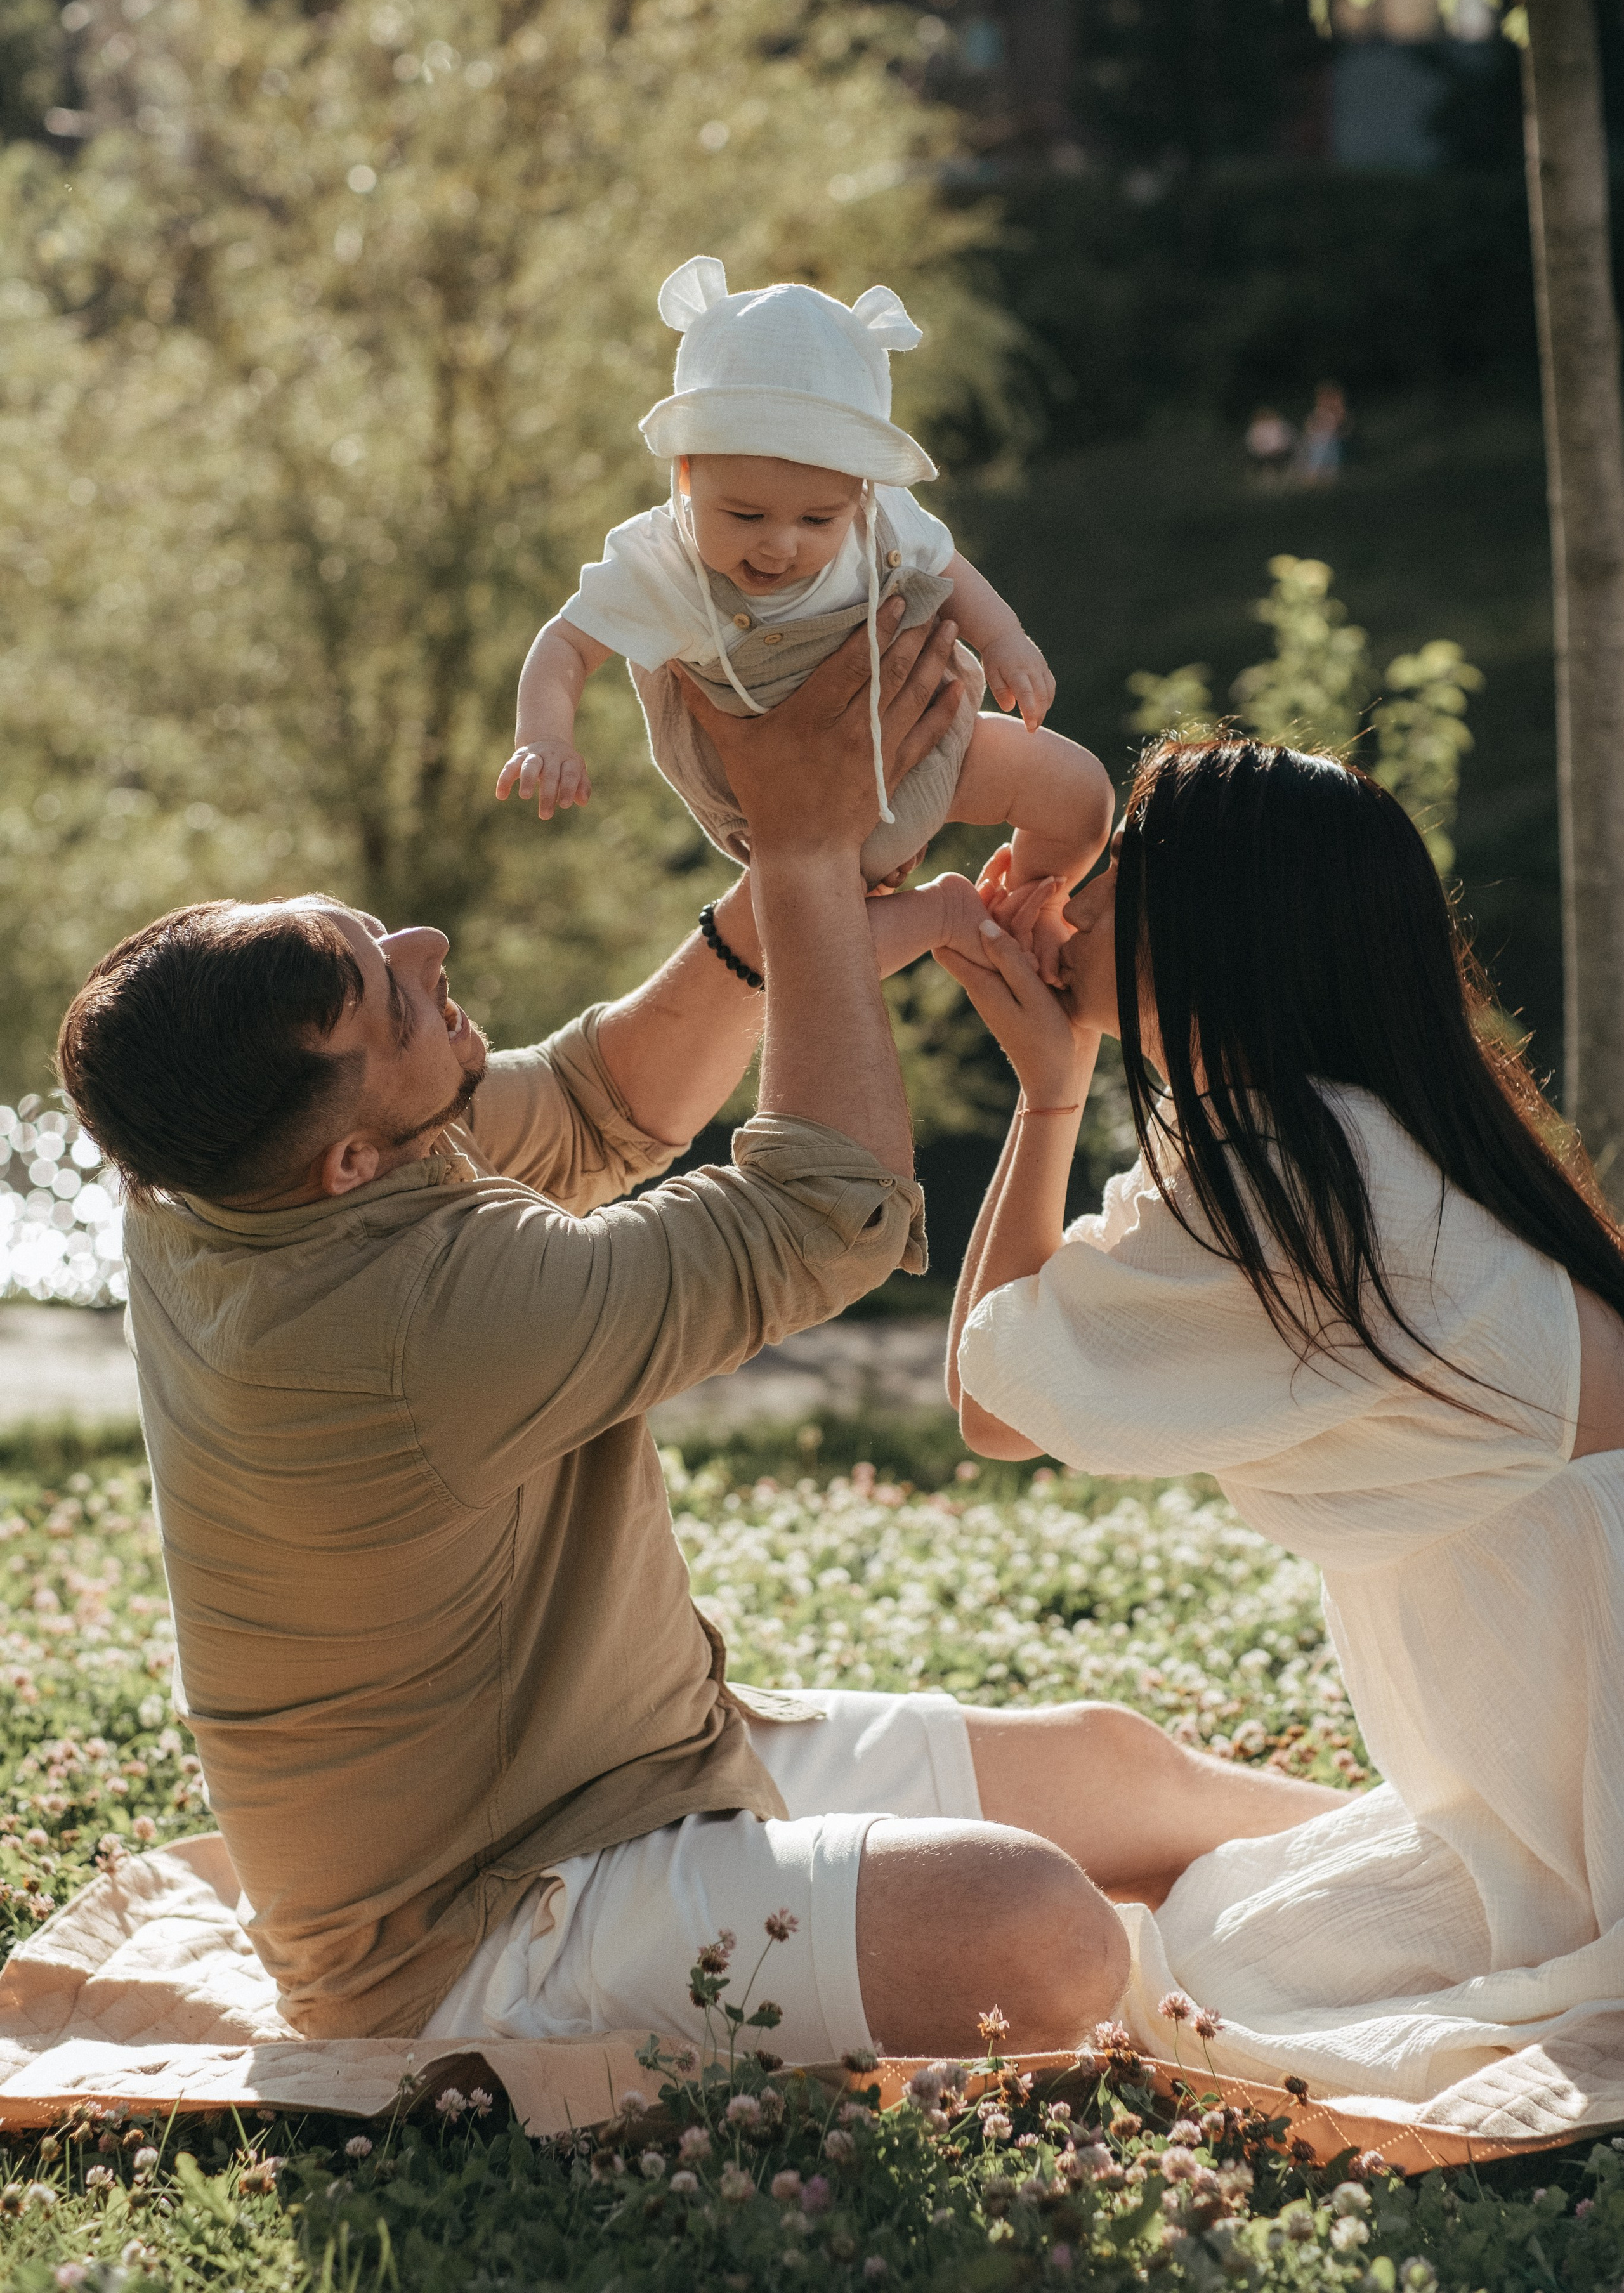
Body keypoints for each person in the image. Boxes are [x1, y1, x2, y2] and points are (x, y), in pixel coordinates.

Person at [54, 624, 1326, 2066]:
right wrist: (798, 863)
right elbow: (818, 1213)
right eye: (390, 990)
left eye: (373, 932)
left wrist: (789, 902)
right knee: (1029, 1926)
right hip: (482, 1925)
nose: (428, 946)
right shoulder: (411, 1326)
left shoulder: (234, 1180)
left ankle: (1447, 1870)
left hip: (641, 1765)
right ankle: (1307, 1958)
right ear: (348, 1157)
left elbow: (603, 1106)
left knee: (1116, 1765)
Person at [936, 735, 1624, 2103]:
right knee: (1205, 1923)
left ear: (1216, 921)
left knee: (1199, 1984)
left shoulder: (1304, 1180)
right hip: (1536, 1772)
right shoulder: (1309, 1143)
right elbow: (1003, 1374)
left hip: (1583, 1787)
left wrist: (1046, 1087)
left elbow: (987, 1397)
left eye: (1112, 871)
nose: (1068, 900)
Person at [495, 255, 1113, 981]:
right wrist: (545, 735)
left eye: (819, 517)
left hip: (927, 744)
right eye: (744, 514)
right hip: (786, 810)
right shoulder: (661, 564)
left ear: (859, 490)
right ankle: (942, 917)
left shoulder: (880, 518)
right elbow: (565, 644)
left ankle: (1029, 914)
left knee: (1080, 792)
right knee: (821, 955)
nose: (780, 543)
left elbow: (948, 566)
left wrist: (1005, 637)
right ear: (688, 472)